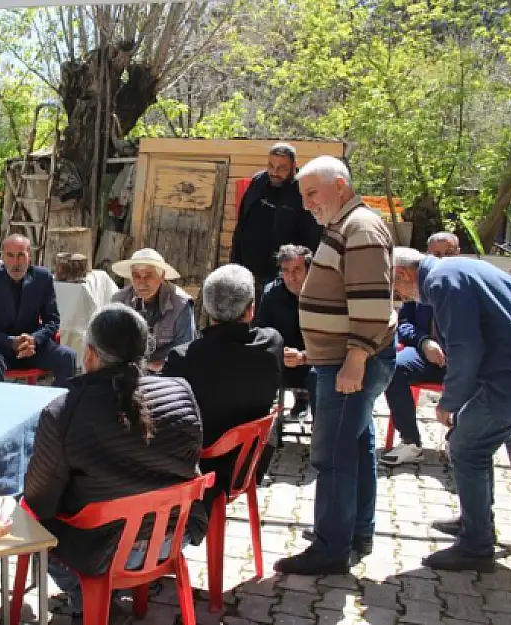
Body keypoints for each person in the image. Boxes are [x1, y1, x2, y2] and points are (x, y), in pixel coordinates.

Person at [24, 304, 203, 616]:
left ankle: (94, 603)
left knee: (34, 526)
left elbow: (40, 501)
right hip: (172, 538)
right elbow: (191, 466)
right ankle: (134, 585)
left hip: (104, 552)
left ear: (90, 354)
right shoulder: (181, 391)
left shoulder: (64, 412)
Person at [391, 248, 511, 572]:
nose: (401, 297)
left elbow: (465, 350)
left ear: (403, 274)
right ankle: (476, 521)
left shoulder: (442, 283)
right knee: (475, 445)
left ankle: (476, 545)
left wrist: (449, 403)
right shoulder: (456, 268)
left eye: (396, 289)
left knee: (466, 446)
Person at [273, 156, 397, 576]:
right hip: (343, 359)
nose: (307, 203)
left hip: (349, 362)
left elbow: (372, 300)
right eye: (303, 195)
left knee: (333, 457)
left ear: (340, 185)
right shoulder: (344, 225)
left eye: (312, 193)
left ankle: (330, 548)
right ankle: (353, 532)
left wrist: (355, 358)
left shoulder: (359, 227)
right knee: (356, 450)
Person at [163, 264, 283, 513]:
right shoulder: (272, 343)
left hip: (199, 470)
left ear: (206, 308)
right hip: (248, 465)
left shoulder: (184, 359)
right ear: (251, 310)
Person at [380, 232, 462, 466]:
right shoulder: (417, 284)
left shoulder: (464, 286)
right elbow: (403, 323)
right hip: (425, 355)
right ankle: (410, 441)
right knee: (392, 368)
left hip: (462, 359)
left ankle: (456, 441)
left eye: (449, 253)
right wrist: (425, 342)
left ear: (459, 253)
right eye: (436, 254)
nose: (443, 258)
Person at [0, 234, 76, 387]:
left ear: (29, 257)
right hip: (0, 347)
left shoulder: (42, 278)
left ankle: (62, 408)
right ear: (3, 258)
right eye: (10, 256)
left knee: (67, 356)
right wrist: (10, 342)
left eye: (21, 255)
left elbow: (52, 320)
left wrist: (34, 339)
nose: (16, 263)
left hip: (33, 347)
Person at [230, 143, 323, 300]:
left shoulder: (303, 191)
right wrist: (234, 263)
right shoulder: (258, 181)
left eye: (282, 168)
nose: (274, 172)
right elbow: (241, 225)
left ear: (294, 166)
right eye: (271, 166)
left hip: (283, 278)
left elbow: (313, 239)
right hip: (248, 272)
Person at [254, 244, 315, 419]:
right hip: (282, 360)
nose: (291, 277)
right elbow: (262, 330)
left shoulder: (322, 293)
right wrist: (279, 352)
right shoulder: (272, 294)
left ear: (308, 271)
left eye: (297, 270)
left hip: (314, 360)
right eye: (285, 271)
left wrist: (302, 356)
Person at [110, 248, 196, 370]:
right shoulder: (119, 301)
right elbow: (112, 344)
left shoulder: (180, 304)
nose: (141, 283)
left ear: (162, 276)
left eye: (148, 276)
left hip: (169, 372)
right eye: (136, 276)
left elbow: (186, 349)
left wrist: (159, 365)